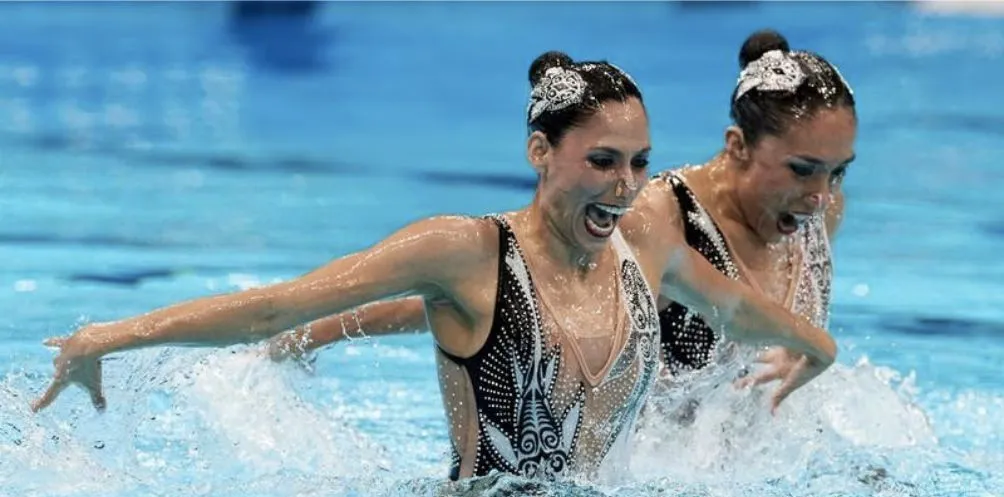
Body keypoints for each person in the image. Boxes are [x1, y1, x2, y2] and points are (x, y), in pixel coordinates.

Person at [32, 51, 836, 482]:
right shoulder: (466, 249)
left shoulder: (643, 246)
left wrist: (818, 348)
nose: (625, 185)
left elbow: (734, 308)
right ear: (540, 152)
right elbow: (283, 302)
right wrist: (109, 335)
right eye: (601, 160)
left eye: (638, 162)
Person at [267, 30, 855, 414]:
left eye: (838, 172)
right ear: (737, 145)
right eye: (803, 170)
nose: (820, 195)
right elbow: (494, 301)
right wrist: (319, 330)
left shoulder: (820, 211)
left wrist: (805, 350)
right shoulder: (653, 218)